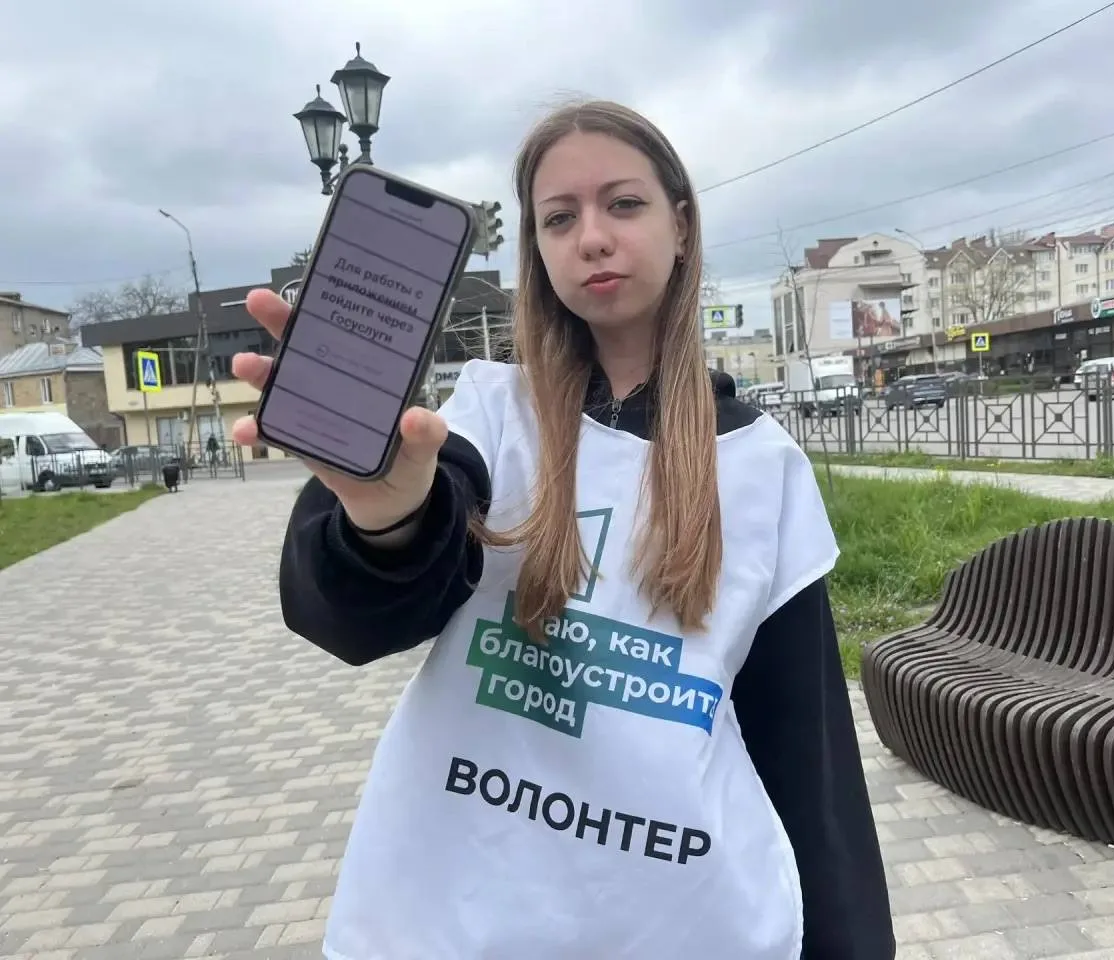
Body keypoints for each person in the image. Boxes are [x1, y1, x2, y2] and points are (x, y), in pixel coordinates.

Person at [229, 99, 894, 960]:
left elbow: (807, 753)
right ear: (537, 251)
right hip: (456, 915)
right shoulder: (487, 416)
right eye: (559, 218)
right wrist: (385, 519)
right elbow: (350, 618)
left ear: (681, 225)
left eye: (624, 204)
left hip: (680, 923)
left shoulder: (762, 466)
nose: (592, 238)